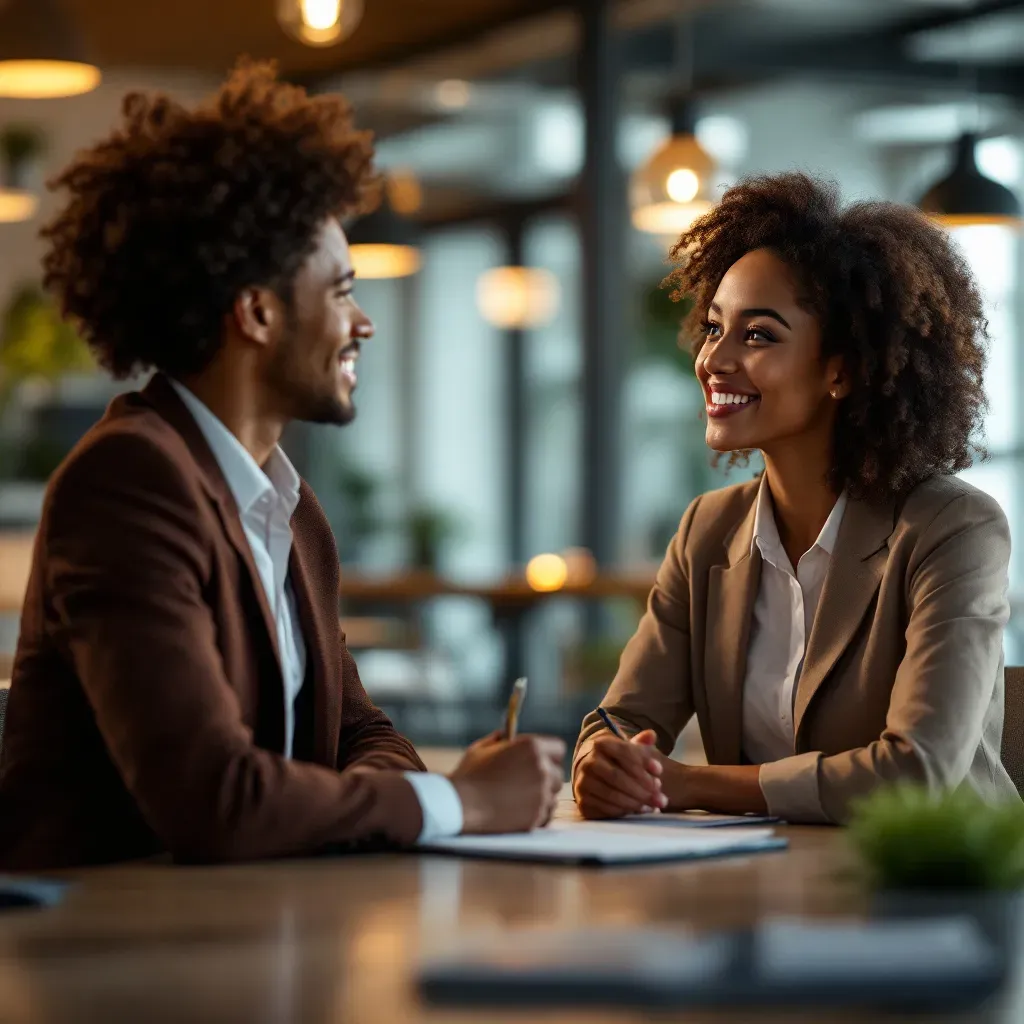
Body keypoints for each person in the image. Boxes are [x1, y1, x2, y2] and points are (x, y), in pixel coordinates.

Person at [0, 61, 564, 870]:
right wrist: (463, 800)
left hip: (257, 936)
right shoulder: (128, 481)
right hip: (110, 958)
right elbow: (214, 800)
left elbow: (365, 736)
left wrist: (397, 795)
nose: (363, 323)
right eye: (341, 291)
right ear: (257, 311)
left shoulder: (288, 509)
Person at [573, 172, 1018, 824]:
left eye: (758, 335)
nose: (713, 359)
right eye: (715, 328)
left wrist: (692, 785)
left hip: (935, 892)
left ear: (842, 369)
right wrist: (605, 760)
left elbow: (917, 772)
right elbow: (625, 715)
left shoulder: (953, 528)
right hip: (761, 885)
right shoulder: (708, 529)